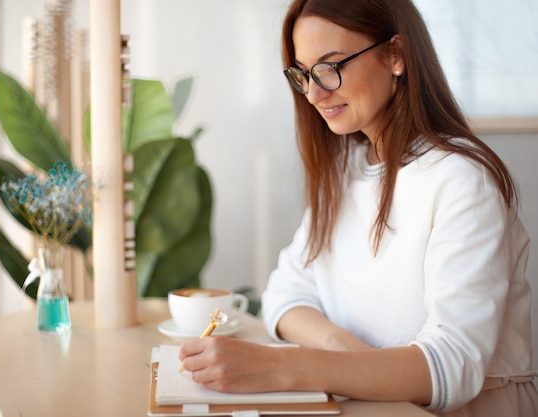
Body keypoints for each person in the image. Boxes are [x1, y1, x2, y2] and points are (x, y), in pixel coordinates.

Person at [178, 0, 538, 415]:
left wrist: (285, 366)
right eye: (305, 74)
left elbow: (452, 367)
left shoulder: (460, 180)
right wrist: (350, 358)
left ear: (396, 55)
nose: (314, 92)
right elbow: (285, 293)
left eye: (332, 66)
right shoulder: (346, 167)